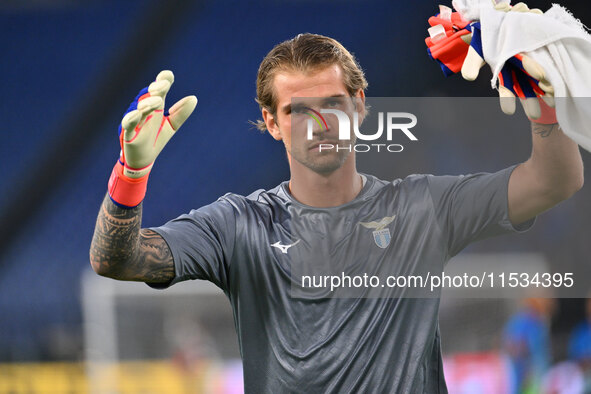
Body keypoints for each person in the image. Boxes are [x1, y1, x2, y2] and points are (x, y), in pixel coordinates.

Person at [90, 33, 584, 392]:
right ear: (271, 122)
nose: (319, 123)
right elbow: (117, 260)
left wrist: (542, 109)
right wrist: (131, 175)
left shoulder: (425, 206)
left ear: (360, 106)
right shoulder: (237, 223)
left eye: (333, 103)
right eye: (297, 110)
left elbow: (555, 180)